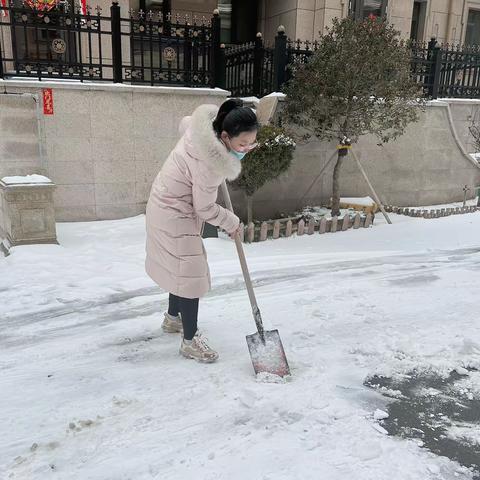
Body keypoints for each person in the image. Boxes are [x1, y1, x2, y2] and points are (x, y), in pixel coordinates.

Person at [145, 99, 259, 363]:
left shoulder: (198, 132)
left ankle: (174, 319)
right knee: (191, 274)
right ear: (224, 136)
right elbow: (205, 208)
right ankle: (190, 341)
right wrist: (231, 221)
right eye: (242, 144)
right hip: (174, 213)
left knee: (181, 269)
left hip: (164, 204)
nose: (248, 148)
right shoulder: (209, 164)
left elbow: (186, 121)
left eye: (252, 142)